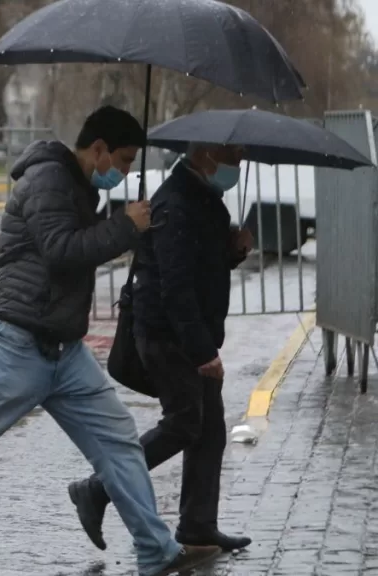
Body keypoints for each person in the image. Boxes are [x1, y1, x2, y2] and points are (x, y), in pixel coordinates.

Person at [0, 106, 221, 576]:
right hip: (17, 343)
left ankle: (157, 551)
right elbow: (62, 251)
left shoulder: (78, 187)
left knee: (118, 441)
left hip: (65, 350)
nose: (123, 171)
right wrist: (124, 226)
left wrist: (127, 225)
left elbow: (84, 244)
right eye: (120, 160)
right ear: (96, 148)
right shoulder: (48, 180)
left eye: (130, 164)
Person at [68, 143, 254, 554]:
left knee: (209, 430)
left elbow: (200, 264)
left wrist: (232, 251)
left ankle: (199, 526)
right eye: (232, 159)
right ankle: (97, 490)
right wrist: (203, 352)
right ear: (206, 155)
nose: (235, 168)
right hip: (165, 333)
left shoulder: (204, 197)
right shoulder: (176, 202)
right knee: (187, 421)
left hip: (187, 331)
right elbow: (175, 286)